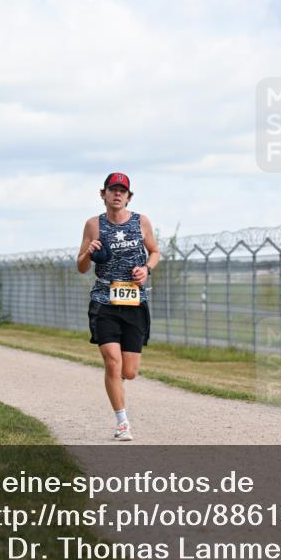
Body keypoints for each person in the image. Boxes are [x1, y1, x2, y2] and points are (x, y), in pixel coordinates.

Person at [77, 172, 161, 441]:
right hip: (104, 301)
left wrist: (146, 269)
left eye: (122, 191)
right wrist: (89, 252)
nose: (117, 194)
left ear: (128, 197)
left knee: (129, 371)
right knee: (113, 363)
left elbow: (155, 252)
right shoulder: (93, 225)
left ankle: (118, 383)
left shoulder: (141, 222)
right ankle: (122, 422)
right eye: (112, 190)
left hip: (134, 302)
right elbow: (81, 267)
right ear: (102, 194)